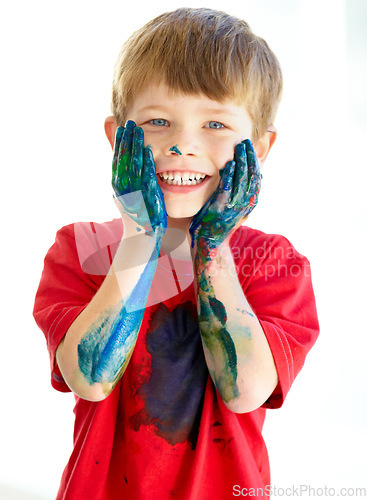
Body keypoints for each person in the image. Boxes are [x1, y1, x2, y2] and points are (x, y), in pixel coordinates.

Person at [33, 7, 319, 500]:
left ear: (262, 147)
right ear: (115, 138)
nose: (182, 144)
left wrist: (211, 247)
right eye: (158, 121)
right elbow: (90, 379)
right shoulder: (79, 249)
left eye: (214, 124)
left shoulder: (276, 263)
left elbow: (245, 389)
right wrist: (143, 235)